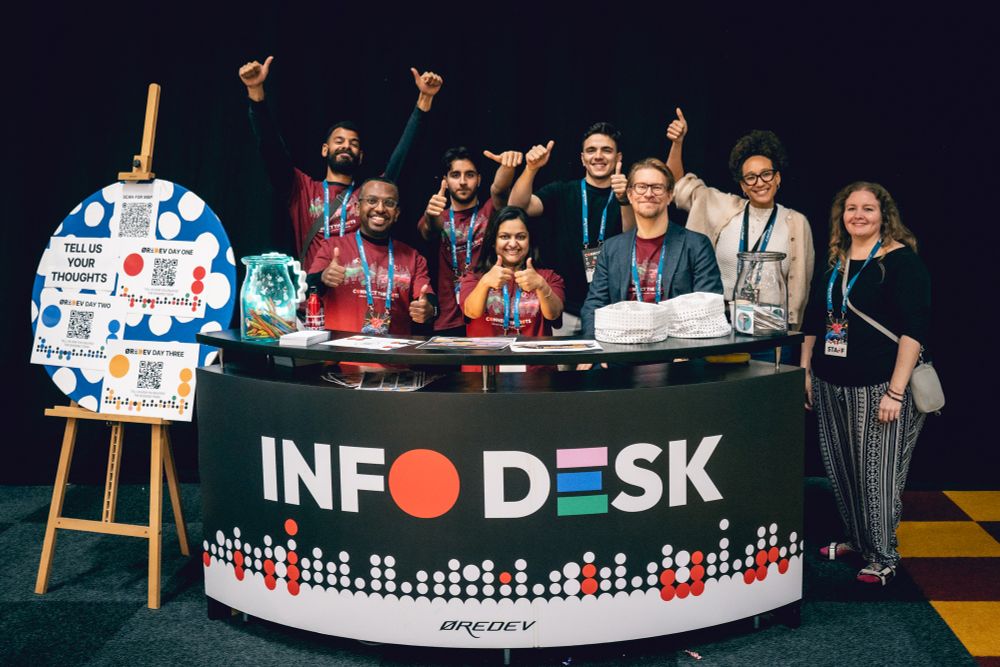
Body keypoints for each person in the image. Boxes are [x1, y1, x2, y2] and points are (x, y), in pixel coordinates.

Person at [800, 182, 931, 586]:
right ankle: (858, 540)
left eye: (868, 209)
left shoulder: (899, 262)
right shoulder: (835, 260)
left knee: (878, 474)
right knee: (843, 469)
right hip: (830, 382)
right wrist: (805, 369)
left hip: (880, 388)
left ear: (883, 216)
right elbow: (812, 320)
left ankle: (883, 555)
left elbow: (914, 330)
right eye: (851, 208)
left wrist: (895, 391)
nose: (858, 215)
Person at [238, 56, 443, 270]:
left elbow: (404, 157)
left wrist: (424, 101)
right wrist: (256, 93)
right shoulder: (301, 189)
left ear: (361, 156)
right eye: (339, 141)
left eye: (353, 143)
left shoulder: (371, 194)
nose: (346, 146)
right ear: (325, 150)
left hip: (359, 293)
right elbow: (272, 150)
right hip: (316, 297)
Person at [667, 112, 815, 340]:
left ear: (778, 178)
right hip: (720, 323)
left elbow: (802, 285)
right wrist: (678, 144)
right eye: (751, 178)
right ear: (743, 186)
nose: (760, 183)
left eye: (766, 174)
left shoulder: (796, 222)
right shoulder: (721, 206)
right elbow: (677, 185)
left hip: (771, 326)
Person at [507, 123, 633, 336]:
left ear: (618, 158)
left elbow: (632, 236)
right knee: (562, 370)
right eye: (591, 150)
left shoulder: (629, 195)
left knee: (608, 370)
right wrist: (531, 169)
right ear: (582, 158)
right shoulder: (563, 191)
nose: (598, 156)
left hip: (612, 310)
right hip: (564, 310)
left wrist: (624, 200)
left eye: (607, 150)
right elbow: (517, 207)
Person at [580, 158, 722, 339]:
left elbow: (707, 306)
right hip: (621, 350)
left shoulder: (696, 245)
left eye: (657, 187)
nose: (648, 194)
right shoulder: (611, 249)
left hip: (676, 352)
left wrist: (684, 352)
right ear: (630, 195)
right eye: (641, 187)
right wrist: (598, 349)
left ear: (670, 195)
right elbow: (594, 306)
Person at [308, 178, 435, 335]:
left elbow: (428, 301)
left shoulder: (413, 257)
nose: (380, 209)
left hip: (393, 357)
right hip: (341, 355)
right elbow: (308, 290)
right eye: (372, 200)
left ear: (397, 213)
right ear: (358, 208)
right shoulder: (332, 247)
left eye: (389, 203)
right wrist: (323, 277)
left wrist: (429, 309)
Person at [417, 147, 523, 336]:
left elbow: (499, 191)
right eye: (455, 175)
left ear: (479, 179)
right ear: (445, 181)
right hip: (448, 320)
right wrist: (431, 215)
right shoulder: (437, 216)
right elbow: (429, 229)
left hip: (487, 314)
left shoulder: (489, 212)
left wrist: (507, 167)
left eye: (470, 175)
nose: (463, 182)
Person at [460, 206, 564, 338]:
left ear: (529, 241)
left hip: (533, 356)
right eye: (504, 237)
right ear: (493, 241)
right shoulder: (474, 277)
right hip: (485, 356)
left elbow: (553, 314)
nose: (513, 244)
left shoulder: (548, 277)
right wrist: (485, 283)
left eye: (521, 237)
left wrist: (541, 286)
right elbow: (471, 312)